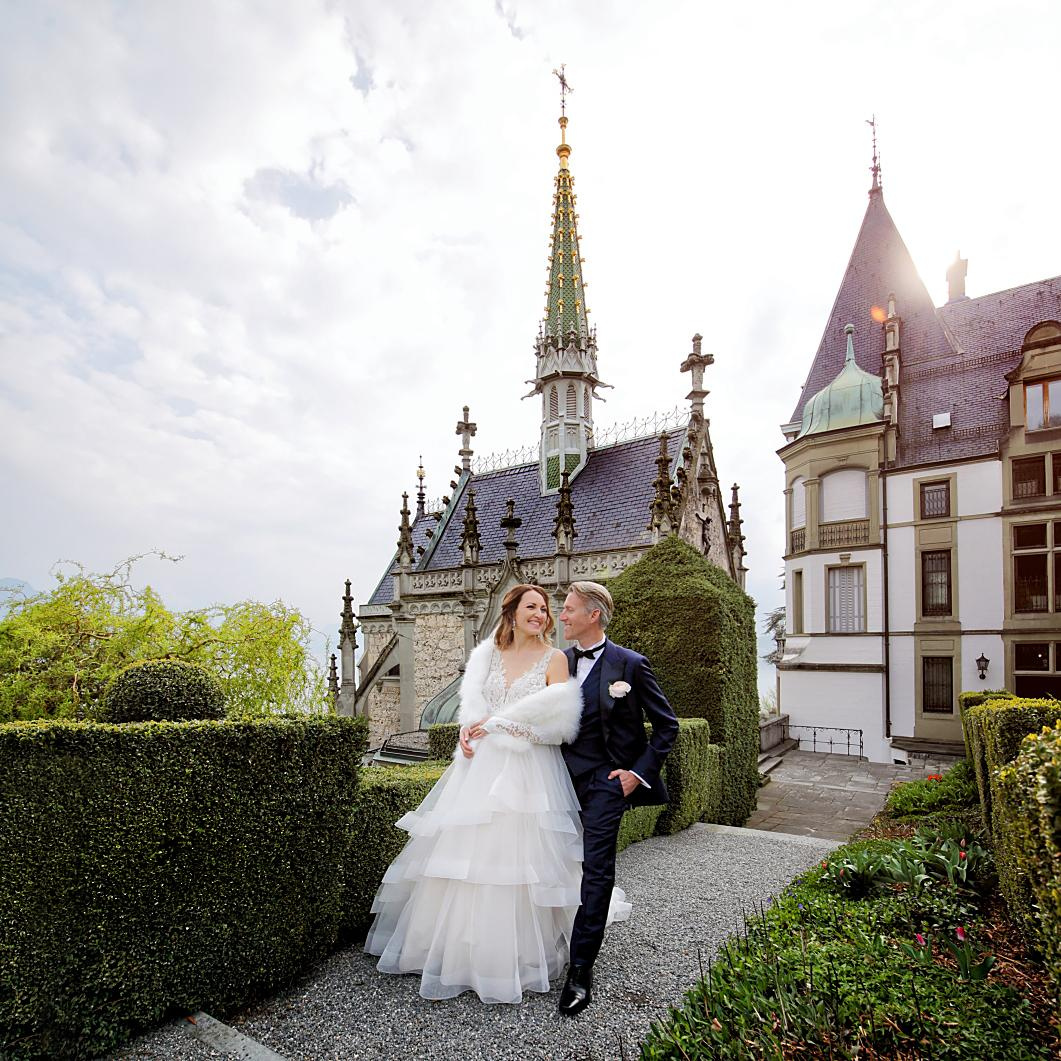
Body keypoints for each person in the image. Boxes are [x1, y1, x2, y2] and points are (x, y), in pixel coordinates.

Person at [364, 584, 591, 1004]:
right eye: (531, 607)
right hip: (478, 768)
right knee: (462, 862)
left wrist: (501, 726)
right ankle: (455, 953)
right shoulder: (485, 655)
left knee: (512, 862)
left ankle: (508, 960)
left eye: (544, 608)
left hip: (527, 772)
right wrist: (468, 734)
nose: (540, 614)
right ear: (511, 612)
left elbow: (560, 729)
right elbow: (472, 709)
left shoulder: (555, 659)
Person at [556, 580, 679, 1017]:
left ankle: (580, 970)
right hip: (557, 780)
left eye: (569, 609)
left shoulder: (631, 665)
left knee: (596, 869)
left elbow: (667, 726)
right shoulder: (559, 662)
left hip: (607, 784)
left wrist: (636, 775)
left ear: (593, 615)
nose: (562, 616)